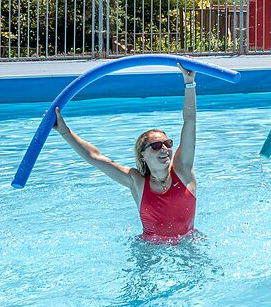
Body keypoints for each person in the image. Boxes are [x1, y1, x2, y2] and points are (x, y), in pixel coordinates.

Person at [52, 66, 199, 241]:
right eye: (156, 146)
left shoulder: (183, 169)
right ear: (142, 154)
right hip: (150, 250)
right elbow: (95, 157)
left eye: (167, 144)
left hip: (188, 243)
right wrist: (64, 132)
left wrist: (189, 83)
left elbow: (189, 121)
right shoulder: (136, 181)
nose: (164, 149)